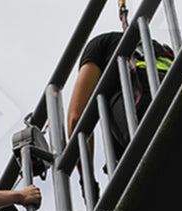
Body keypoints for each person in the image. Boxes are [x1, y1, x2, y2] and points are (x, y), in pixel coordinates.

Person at [67, 31, 174, 161]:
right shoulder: (166, 52)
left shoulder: (103, 44)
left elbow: (76, 119)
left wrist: (87, 172)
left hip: (141, 125)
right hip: (181, 113)